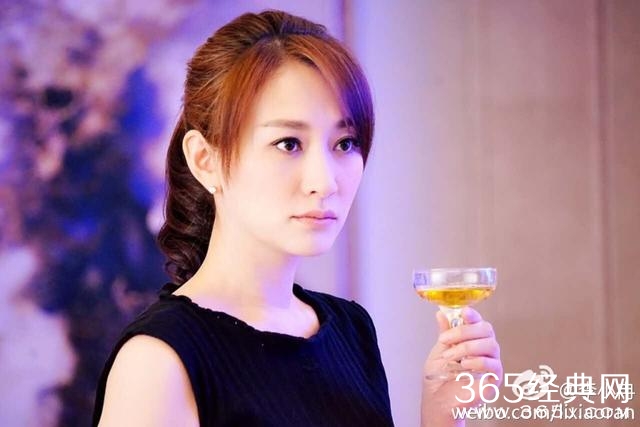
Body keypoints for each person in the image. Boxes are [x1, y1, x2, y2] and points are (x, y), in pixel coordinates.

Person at [92, 10, 502, 427]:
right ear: (205, 160)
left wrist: (442, 416)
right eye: (288, 143)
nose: (324, 182)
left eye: (345, 143)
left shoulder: (351, 330)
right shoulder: (157, 364)